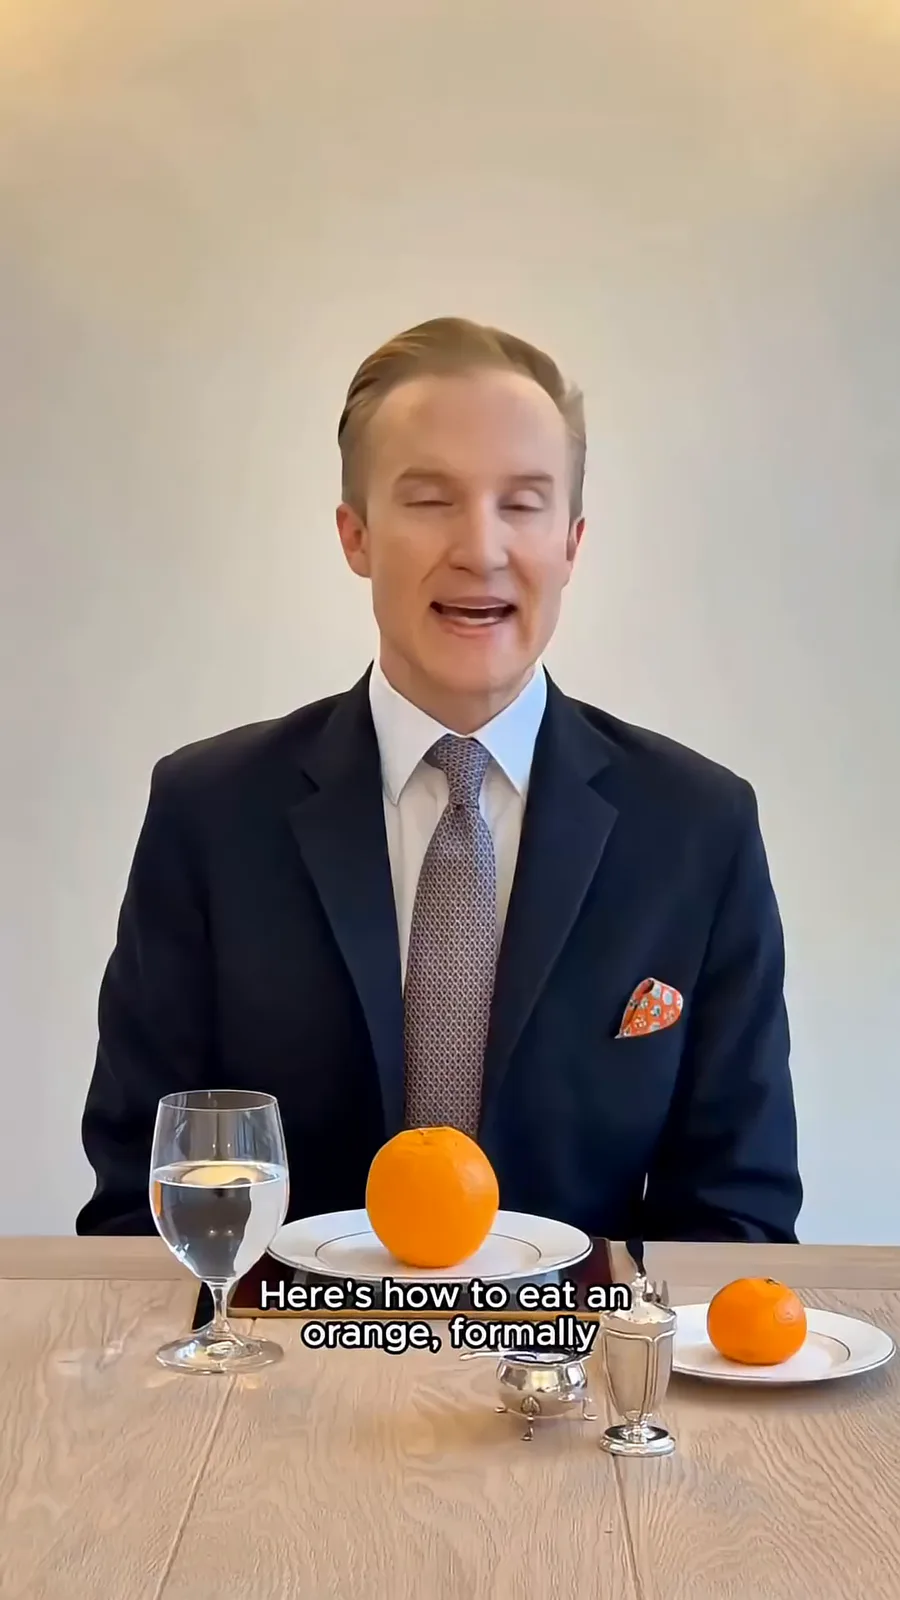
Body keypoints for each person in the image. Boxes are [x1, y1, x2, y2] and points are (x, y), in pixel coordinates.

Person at [76, 316, 802, 1242]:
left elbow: (739, 1213)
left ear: (572, 543)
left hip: (579, 1337)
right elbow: (138, 1202)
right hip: (280, 1334)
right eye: (429, 499)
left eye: (523, 503)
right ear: (356, 536)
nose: (481, 548)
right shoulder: (209, 814)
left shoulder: (698, 828)